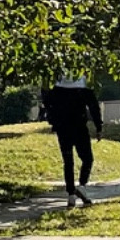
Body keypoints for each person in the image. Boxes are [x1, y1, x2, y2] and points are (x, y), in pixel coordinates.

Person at [40, 76, 103, 205]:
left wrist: (53, 119)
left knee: (68, 161)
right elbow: (94, 106)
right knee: (87, 158)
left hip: (63, 128)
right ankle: (82, 186)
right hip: (79, 126)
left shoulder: (57, 89)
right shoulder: (82, 88)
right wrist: (99, 127)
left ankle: (71, 195)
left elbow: (46, 99)